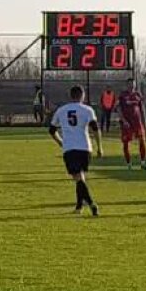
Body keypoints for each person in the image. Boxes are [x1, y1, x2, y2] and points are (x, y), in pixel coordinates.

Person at [49, 85, 103, 216]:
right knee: (80, 177)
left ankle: (91, 204)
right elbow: (95, 129)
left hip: (70, 148)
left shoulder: (61, 110)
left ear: (70, 95)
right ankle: (79, 207)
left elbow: (52, 130)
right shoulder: (88, 110)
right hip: (85, 148)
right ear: (82, 95)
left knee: (78, 178)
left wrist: (60, 142)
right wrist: (99, 147)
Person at [117, 77, 146, 170]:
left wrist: (144, 122)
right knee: (126, 143)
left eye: (133, 84)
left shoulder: (138, 94)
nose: (132, 86)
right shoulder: (122, 95)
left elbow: (142, 108)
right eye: (130, 84)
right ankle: (129, 163)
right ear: (127, 85)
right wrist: (123, 120)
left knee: (142, 140)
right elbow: (119, 109)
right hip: (127, 123)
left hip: (137, 122)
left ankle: (143, 163)